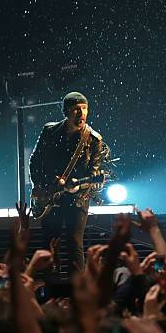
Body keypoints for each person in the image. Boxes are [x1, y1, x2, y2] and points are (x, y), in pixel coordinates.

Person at [29, 91, 104, 275]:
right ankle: (49, 289)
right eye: (76, 109)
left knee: (74, 242)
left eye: (84, 109)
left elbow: (95, 177)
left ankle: (77, 290)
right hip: (49, 196)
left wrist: (79, 185)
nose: (81, 114)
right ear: (66, 112)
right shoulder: (49, 131)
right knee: (49, 241)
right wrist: (38, 185)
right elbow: (35, 160)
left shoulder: (94, 140)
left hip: (77, 199)